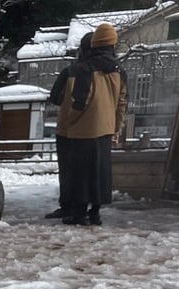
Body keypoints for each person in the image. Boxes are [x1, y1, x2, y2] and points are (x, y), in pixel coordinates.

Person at [57, 22, 127, 226]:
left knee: (81, 174)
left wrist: (70, 123)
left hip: (81, 131)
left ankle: (79, 214)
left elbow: (80, 101)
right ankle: (95, 213)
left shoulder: (84, 69)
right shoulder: (119, 71)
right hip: (105, 129)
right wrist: (115, 128)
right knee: (100, 173)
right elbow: (122, 103)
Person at [45, 32, 93, 220]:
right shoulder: (111, 72)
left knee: (67, 170)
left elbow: (55, 98)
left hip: (67, 128)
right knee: (86, 171)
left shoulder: (70, 71)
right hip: (94, 129)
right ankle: (84, 206)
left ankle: (67, 206)